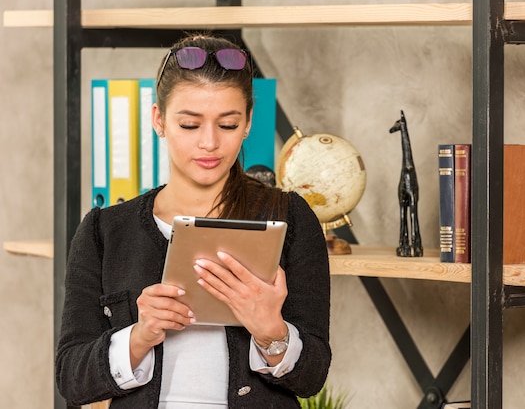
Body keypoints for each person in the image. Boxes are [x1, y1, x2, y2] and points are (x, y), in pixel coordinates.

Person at [55, 33, 331, 409]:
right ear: (159, 120)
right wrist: (140, 335)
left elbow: (312, 378)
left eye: (228, 125)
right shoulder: (104, 231)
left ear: (249, 122)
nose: (209, 143)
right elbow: (72, 378)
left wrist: (271, 332)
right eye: (189, 124)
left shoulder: (290, 219)